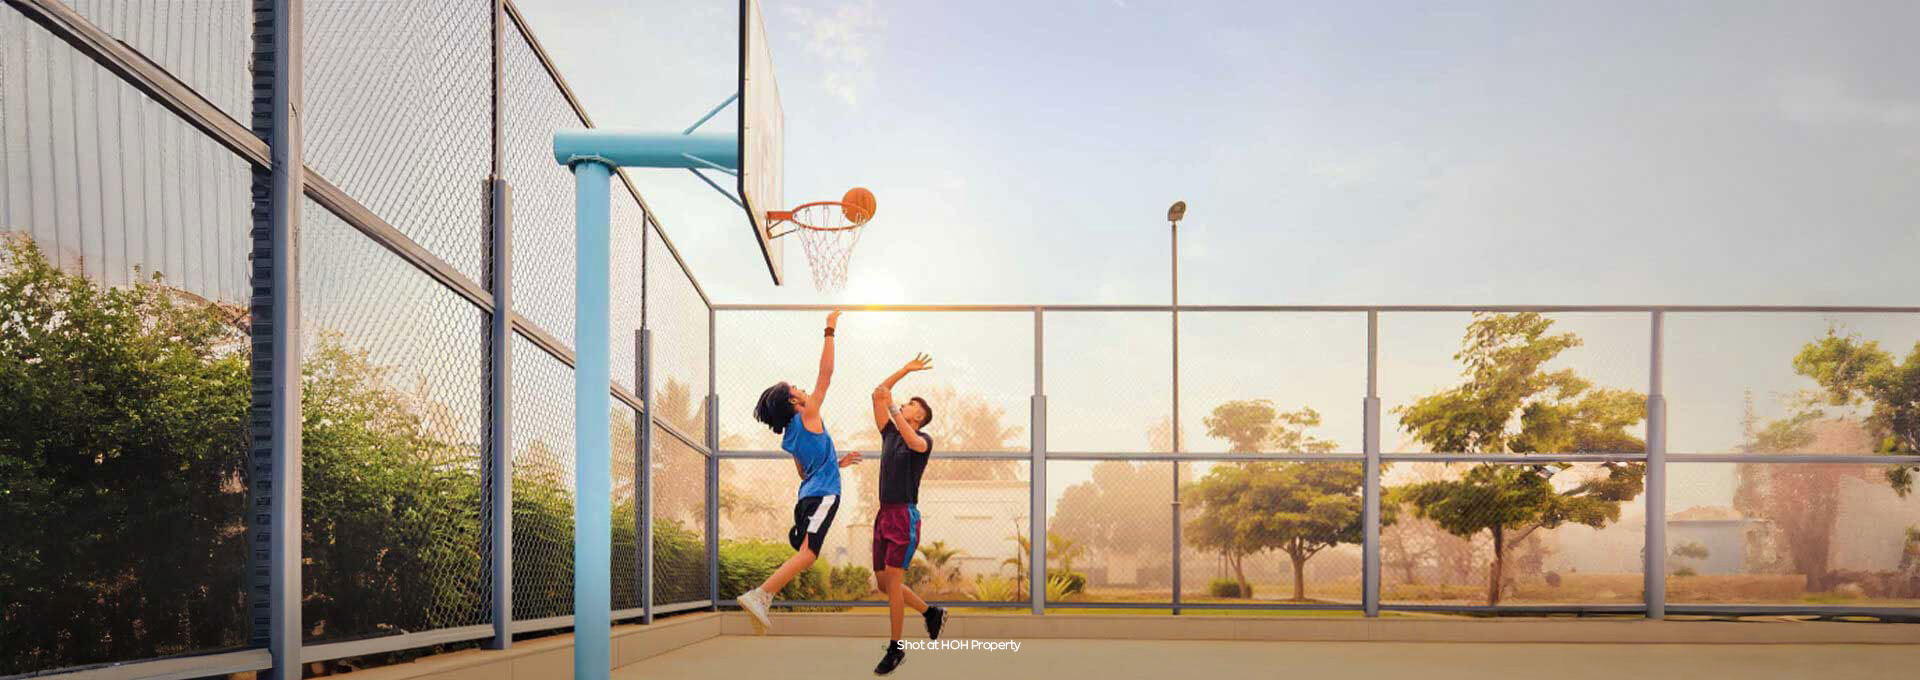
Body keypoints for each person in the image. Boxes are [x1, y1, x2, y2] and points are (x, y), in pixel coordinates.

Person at [734, 311, 861, 634]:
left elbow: (804, 472)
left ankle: (764, 595)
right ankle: (761, 594)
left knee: (808, 552)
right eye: (798, 389)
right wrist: (830, 328)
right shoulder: (810, 413)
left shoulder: (790, 435)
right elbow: (827, 373)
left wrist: (835, 462)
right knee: (808, 554)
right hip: (822, 496)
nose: (806, 390)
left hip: (808, 496)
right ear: (794, 401)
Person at [868, 353, 941, 675]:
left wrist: (894, 405)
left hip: (903, 517)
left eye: (913, 404)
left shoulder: (921, 439)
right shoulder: (889, 433)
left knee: (894, 583)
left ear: (918, 417)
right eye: (907, 403)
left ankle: (896, 648)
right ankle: (930, 612)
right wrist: (905, 371)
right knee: (884, 584)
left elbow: (912, 438)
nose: (906, 404)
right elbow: (878, 392)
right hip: (884, 515)